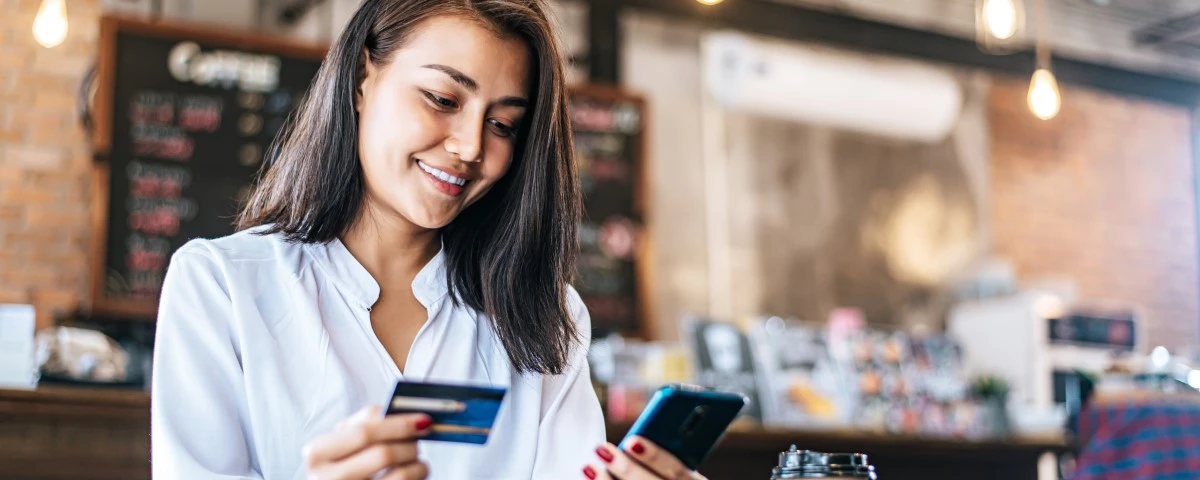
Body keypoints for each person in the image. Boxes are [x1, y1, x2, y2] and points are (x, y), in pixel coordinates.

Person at [150, 1, 708, 479]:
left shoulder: (545, 316)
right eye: (443, 99)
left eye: (503, 125)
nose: (469, 147)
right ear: (362, 78)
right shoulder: (222, 287)